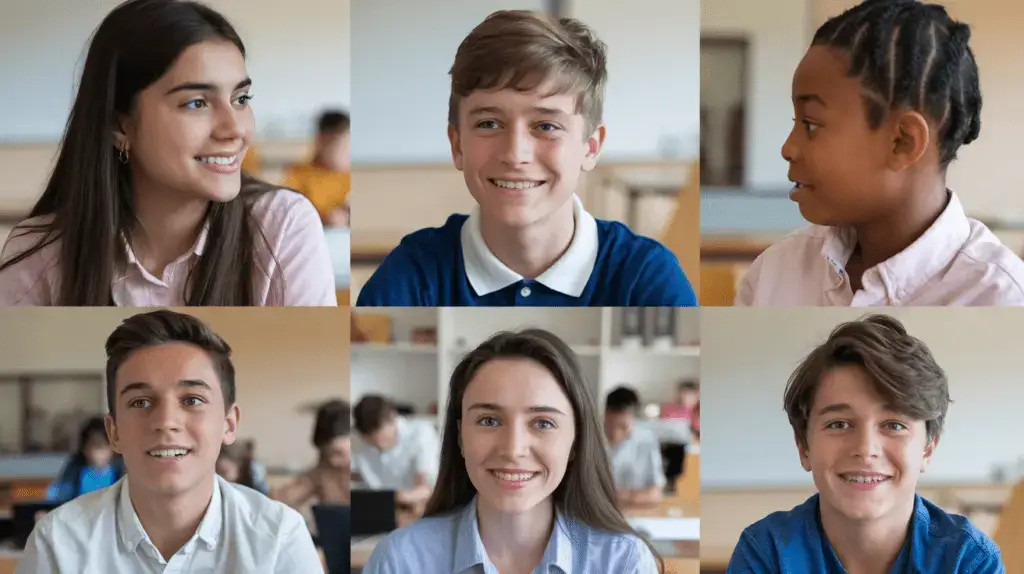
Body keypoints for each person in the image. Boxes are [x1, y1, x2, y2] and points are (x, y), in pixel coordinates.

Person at [0, 0, 335, 307]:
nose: (235, 129)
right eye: (196, 103)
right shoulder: (38, 256)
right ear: (120, 126)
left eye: (241, 99)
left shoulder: (283, 226)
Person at [356, 10, 696, 307]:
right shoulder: (410, 276)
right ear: (457, 144)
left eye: (546, 125)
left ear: (590, 147)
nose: (515, 154)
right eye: (489, 123)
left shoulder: (647, 279)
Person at [735, 0, 1024, 307]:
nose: (788, 148)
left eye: (811, 124)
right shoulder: (775, 273)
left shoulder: (1000, 296)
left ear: (903, 141)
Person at [15, 310, 322, 572]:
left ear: (229, 424)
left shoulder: (279, 538)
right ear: (114, 432)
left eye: (192, 399)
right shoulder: (57, 543)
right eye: (140, 403)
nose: (165, 422)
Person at [364, 329, 663, 573]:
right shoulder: (400, 561)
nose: (513, 449)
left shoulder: (623, 563)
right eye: (489, 420)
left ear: (576, 441)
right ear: (460, 438)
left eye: (543, 423)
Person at [727, 315, 1002, 573]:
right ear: (803, 446)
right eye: (839, 424)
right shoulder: (766, 553)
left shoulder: (967, 560)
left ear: (928, 449)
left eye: (894, 425)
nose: (866, 448)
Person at [351, 395, 439, 513]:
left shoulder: (421, 434)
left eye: (382, 437)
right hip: (376, 512)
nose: (379, 444)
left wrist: (394, 498)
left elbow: (425, 489)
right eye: (372, 441)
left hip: (412, 510)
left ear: (393, 418)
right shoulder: (360, 442)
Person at [273, 399, 352, 507]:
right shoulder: (320, 472)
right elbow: (276, 502)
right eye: (326, 454)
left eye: (338, 453)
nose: (333, 461)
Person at [283, 111, 351, 228]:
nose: (348, 153)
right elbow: (289, 213)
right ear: (321, 141)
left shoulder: (351, 177)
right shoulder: (297, 174)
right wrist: (325, 219)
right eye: (342, 145)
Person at [603, 387, 666, 507]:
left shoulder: (647, 441)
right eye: (615, 426)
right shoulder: (590, 440)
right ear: (606, 416)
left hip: (636, 514)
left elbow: (655, 495)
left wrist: (614, 496)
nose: (618, 434)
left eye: (623, 427)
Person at [47, 417, 125, 503]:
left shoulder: (120, 473)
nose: (98, 454)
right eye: (94, 447)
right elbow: (56, 496)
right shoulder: (74, 472)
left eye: (102, 447)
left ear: (112, 448)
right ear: (84, 448)